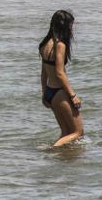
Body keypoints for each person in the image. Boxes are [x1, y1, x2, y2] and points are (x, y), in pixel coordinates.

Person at [40, 10, 83, 147]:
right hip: (59, 92)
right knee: (78, 132)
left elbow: (44, 72)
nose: (72, 29)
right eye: (71, 25)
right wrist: (73, 95)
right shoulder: (60, 45)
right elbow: (60, 73)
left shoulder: (45, 44)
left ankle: (61, 158)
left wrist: (44, 93)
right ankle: (52, 149)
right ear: (64, 26)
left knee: (66, 132)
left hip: (50, 92)